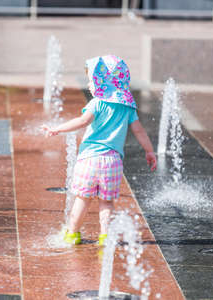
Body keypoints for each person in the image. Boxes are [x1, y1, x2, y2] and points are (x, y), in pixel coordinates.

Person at [41, 55, 157, 246]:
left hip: (89, 159)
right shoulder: (128, 107)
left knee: (83, 199)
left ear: (103, 82)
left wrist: (57, 129)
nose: (89, 85)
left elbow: (82, 122)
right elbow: (139, 131)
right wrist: (149, 151)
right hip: (113, 162)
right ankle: (105, 237)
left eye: (91, 81)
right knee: (106, 202)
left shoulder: (97, 103)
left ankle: (72, 234)